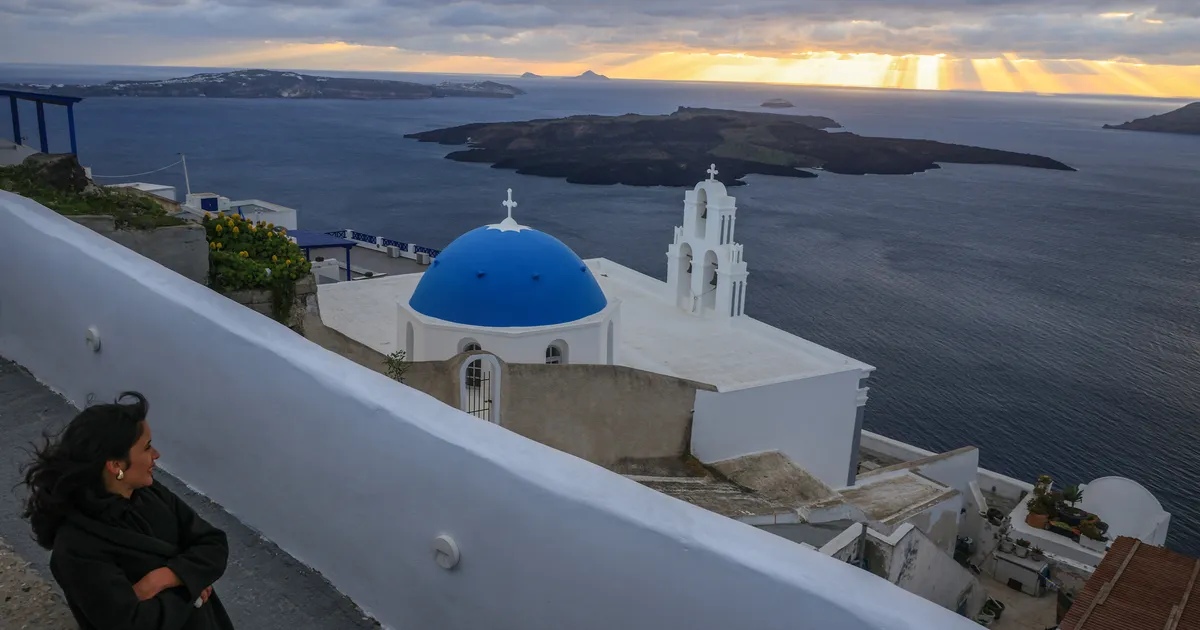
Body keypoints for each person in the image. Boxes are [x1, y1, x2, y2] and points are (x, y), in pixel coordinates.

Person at [21, 391, 235, 630]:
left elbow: (213, 542)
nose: (156, 455)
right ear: (116, 465)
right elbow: (132, 624)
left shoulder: (149, 493)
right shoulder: (75, 549)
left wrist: (165, 577)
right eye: (147, 447)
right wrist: (192, 585)